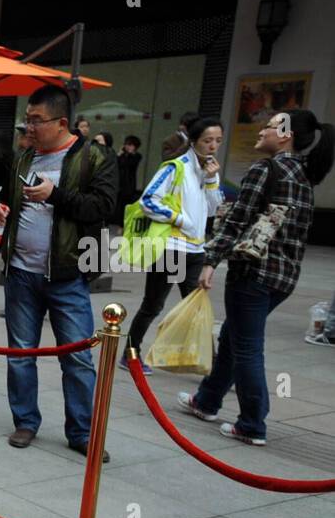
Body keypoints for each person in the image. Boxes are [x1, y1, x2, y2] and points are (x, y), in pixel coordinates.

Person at [177, 109, 332, 445]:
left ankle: (251, 423)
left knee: (247, 348)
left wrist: (210, 261)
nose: (262, 130)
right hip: (284, 278)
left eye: (271, 125)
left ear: (287, 135)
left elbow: (237, 222)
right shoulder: (305, 173)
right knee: (234, 337)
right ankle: (207, 401)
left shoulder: (265, 169)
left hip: (253, 273)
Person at [0, 84, 117, 459]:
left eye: (36, 121)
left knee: (77, 357)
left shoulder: (94, 157)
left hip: (67, 275)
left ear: (62, 122)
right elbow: (12, 206)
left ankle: (83, 432)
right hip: (21, 273)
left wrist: (55, 195)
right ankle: (25, 421)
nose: (29, 127)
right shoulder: (25, 158)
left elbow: (104, 206)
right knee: (20, 353)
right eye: (27, 119)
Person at [126, 118, 224, 372]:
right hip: (172, 248)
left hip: (196, 250)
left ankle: (212, 365)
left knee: (195, 308)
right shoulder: (175, 167)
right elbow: (148, 200)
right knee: (153, 304)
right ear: (194, 141)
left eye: (218, 141)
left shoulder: (210, 170)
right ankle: (130, 354)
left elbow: (214, 208)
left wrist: (212, 180)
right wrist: (179, 219)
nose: (213, 146)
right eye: (207, 140)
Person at [113, 134, 143, 224]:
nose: (128, 147)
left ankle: (122, 225)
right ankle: (116, 222)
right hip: (119, 183)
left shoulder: (137, 156)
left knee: (126, 206)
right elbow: (116, 164)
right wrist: (119, 154)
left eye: (130, 145)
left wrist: (127, 155)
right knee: (118, 205)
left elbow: (129, 164)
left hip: (129, 185)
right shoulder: (122, 155)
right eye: (127, 144)